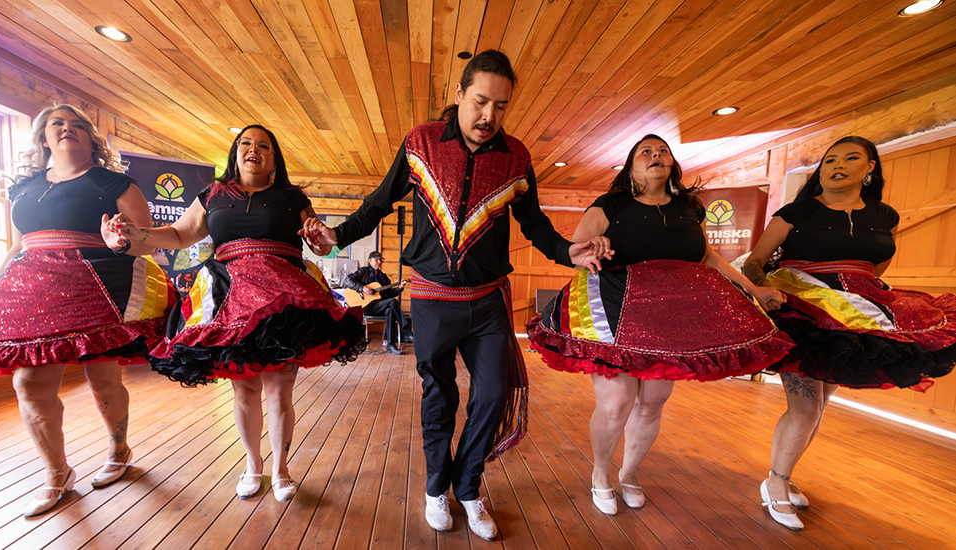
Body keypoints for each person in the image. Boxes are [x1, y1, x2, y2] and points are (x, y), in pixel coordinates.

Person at [302, 50, 607, 541]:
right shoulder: (420, 143)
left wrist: (568, 251)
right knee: (439, 397)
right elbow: (379, 202)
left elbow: (534, 223)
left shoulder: (517, 156)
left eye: (501, 106)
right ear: (461, 95)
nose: (489, 116)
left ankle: (468, 486)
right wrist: (337, 237)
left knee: (492, 393)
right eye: (481, 101)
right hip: (430, 299)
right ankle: (435, 489)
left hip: (488, 301)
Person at [527, 134, 794, 516]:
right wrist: (596, 245)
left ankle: (629, 474)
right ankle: (601, 473)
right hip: (614, 311)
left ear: (672, 164)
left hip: (667, 319)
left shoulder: (689, 208)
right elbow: (576, 252)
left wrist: (754, 289)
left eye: (662, 151)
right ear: (631, 166)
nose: (656, 156)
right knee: (617, 402)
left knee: (652, 404)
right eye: (646, 152)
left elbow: (707, 257)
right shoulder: (610, 205)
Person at [0, 104, 174, 517]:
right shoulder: (23, 188)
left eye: (78, 125)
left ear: (91, 139)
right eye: (57, 124)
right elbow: (18, 245)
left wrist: (122, 239)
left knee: (103, 377)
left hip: (95, 284)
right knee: (28, 384)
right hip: (33, 288)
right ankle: (56, 473)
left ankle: (118, 448)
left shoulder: (114, 183)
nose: (67, 129)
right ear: (43, 136)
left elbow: (148, 243)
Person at [102, 124, 366, 503]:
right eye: (245, 143)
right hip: (230, 297)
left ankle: (281, 470)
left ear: (274, 158)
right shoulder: (212, 194)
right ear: (234, 152)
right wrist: (131, 235)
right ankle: (252, 465)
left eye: (263, 145)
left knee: (280, 389)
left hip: (282, 300)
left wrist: (320, 241)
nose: (253, 149)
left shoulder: (292, 198)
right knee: (244, 390)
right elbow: (178, 235)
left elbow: (320, 247)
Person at [742, 136, 956, 530]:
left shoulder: (884, 215)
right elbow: (755, 262)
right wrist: (768, 293)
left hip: (854, 316)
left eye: (851, 157)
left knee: (819, 404)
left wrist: (859, 300)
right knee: (804, 407)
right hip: (802, 312)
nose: (837, 165)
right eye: (829, 160)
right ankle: (775, 481)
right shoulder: (796, 212)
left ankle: (783, 476)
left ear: (870, 166)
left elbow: (875, 270)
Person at [344, 250, 411, 354]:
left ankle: (390, 345)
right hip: (367, 307)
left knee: (390, 310)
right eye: (376, 260)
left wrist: (400, 288)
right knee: (392, 303)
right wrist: (362, 288)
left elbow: (389, 294)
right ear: (370, 261)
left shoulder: (384, 278)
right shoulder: (363, 272)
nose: (379, 262)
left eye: (380, 260)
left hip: (380, 307)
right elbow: (347, 280)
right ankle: (405, 331)